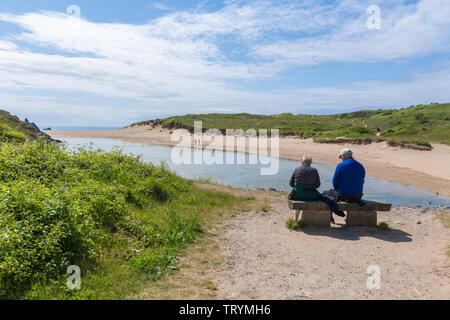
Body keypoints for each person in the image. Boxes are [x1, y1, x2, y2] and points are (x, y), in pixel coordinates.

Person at [322, 148, 366, 222]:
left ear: (343, 156)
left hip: (344, 196)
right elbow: (362, 181)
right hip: (358, 196)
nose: (341, 159)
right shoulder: (361, 166)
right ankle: (346, 217)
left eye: (341, 157)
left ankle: (330, 217)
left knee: (324, 193)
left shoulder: (341, 165)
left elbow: (335, 182)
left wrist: (336, 190)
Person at [289, 155, 322, 221]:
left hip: (298, 195)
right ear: (310, 162)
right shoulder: (314, 170)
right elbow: (318, 185)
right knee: (322, 196)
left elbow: (291, 184)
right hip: (312, 196)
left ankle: (295, 218)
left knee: (299, 195)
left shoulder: (296, 169)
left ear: (302, 162)